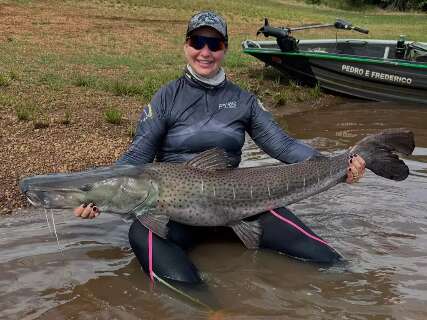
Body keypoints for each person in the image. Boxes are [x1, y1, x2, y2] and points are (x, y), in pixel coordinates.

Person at [74, 11, 365, 284]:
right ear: (186, 45)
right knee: (143, 237)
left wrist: (340, 165)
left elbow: (283, 145)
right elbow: (136, 157)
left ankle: (359, 290)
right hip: (175, 213)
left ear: (224, 49)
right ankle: (204, 306)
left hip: (238, 207)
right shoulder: (166, 98)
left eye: (213, 43)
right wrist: (98, 192)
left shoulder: (244, 101)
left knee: (328, 260)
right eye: (197, 41)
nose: (205, 51)